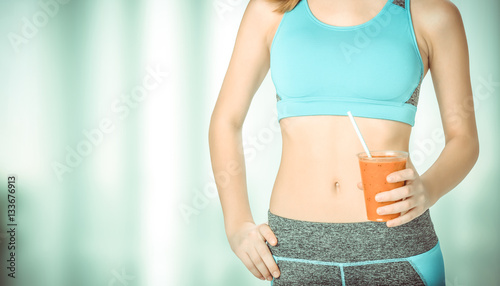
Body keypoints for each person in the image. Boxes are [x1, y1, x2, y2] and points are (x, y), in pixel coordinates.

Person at [208, 0, 479, 284]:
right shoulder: (272, 9)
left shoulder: (431, 13)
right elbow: (226, 121)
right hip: (295, 249)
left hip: (397, 246)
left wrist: (428, 189)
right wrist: (237, 225)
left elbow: (464, 140)